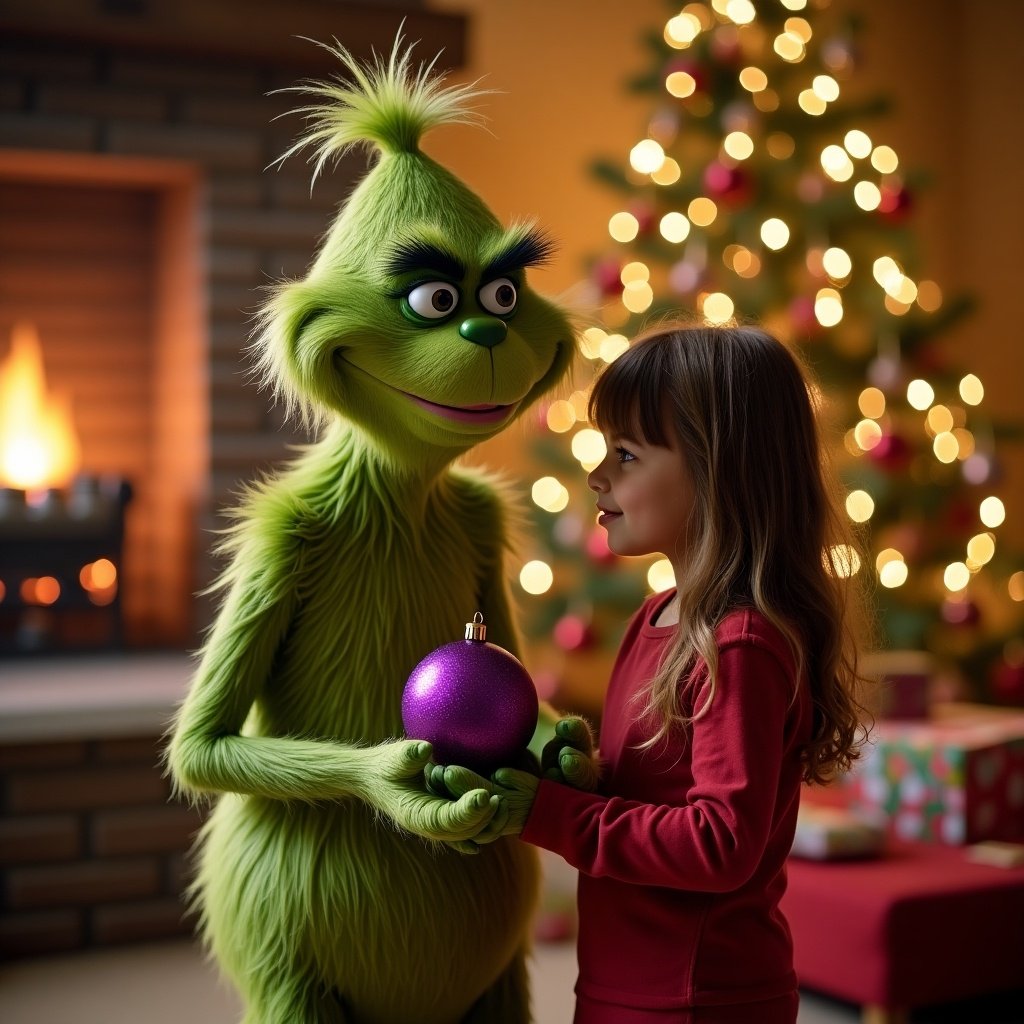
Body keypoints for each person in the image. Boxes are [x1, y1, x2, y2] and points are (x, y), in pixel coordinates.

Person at [458, 324, 873, 1023]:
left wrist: (550, 813)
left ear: (719, 471)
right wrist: (567, 775)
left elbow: (718, 843)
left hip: (697, 999)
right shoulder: (654, 618)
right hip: (627, 983)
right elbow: (647, 787)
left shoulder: (738, 645)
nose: (597, 475)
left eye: (625, 454)